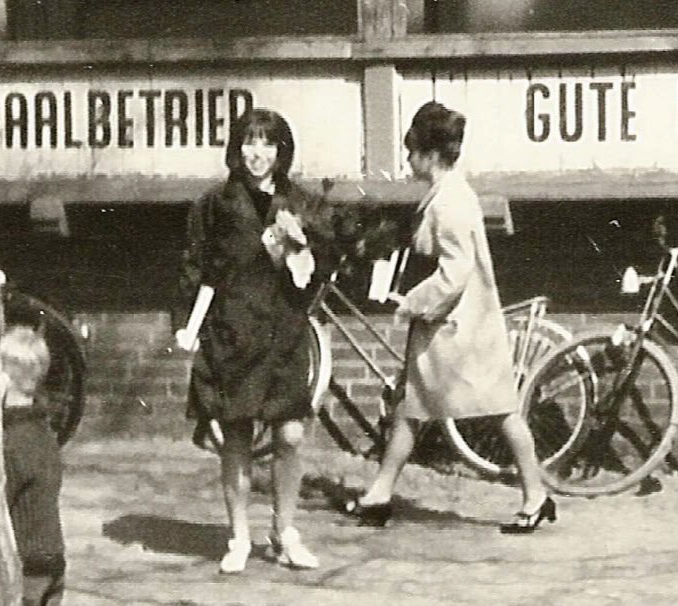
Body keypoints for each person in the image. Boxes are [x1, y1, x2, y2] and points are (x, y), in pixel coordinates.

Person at [342, 101, 556, 534]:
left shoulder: (450, 202)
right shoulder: (447, 195)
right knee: (412, 408)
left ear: (430, 154)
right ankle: (380, 493)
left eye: (412, 151)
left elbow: (455, 271)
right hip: (453, 329)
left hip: (460, 331)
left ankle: (536, 496)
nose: (408, 159)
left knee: (499, 410)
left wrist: (413, 301)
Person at [172, 108, 335, 573]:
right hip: (234, 333)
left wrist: (301, 250)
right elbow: (195, 268)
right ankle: (239, 537)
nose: (257, 153)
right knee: (237, 437)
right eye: (249, 141)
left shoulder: (300, 202)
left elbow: (323, 266)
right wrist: (185, 324)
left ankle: (284, 531)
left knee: (291, 434)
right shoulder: (214, 204)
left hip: (284, 333)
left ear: (281, 151)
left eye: (267, 143)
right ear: (236, 148)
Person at [0, 325, 66, 604]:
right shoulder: (43, 428)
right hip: (53, 556)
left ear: (3, 378)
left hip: (26, 563)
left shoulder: (11, 442)